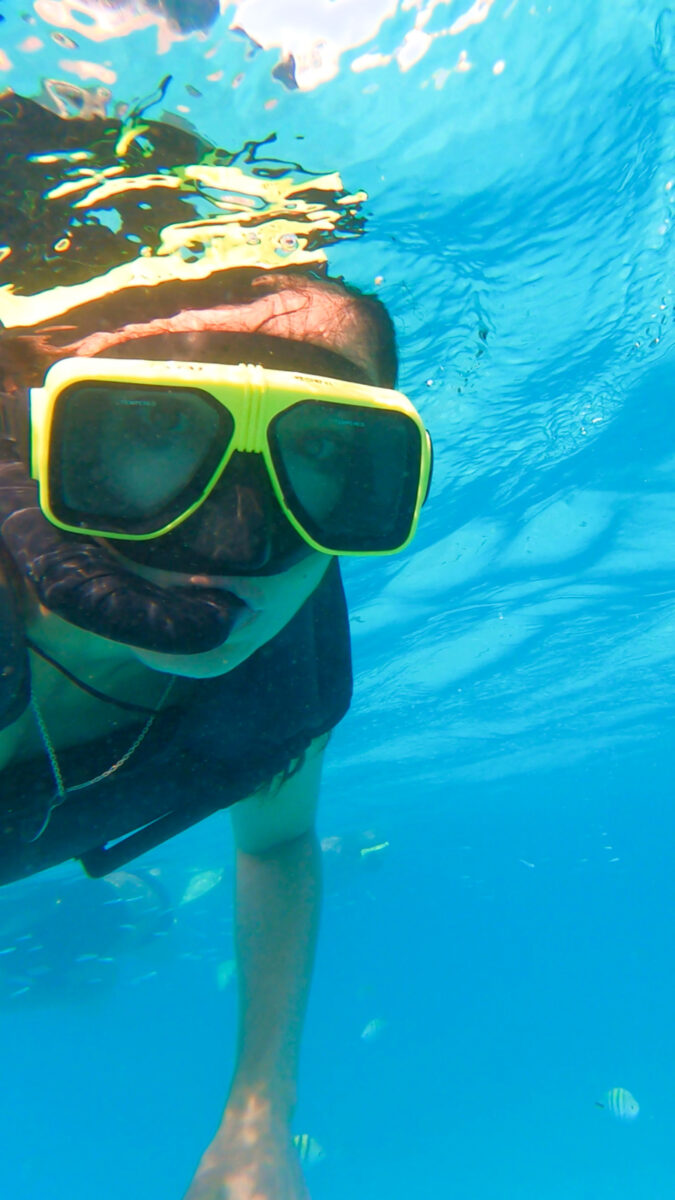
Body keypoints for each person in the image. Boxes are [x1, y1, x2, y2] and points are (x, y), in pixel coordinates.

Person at [0, 93, 431, 1200]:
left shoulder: (286, 675)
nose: (236, 546)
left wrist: (257, 1120)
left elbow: (277, 846)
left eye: (331, 453)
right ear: (41, 449)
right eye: (147, 430)